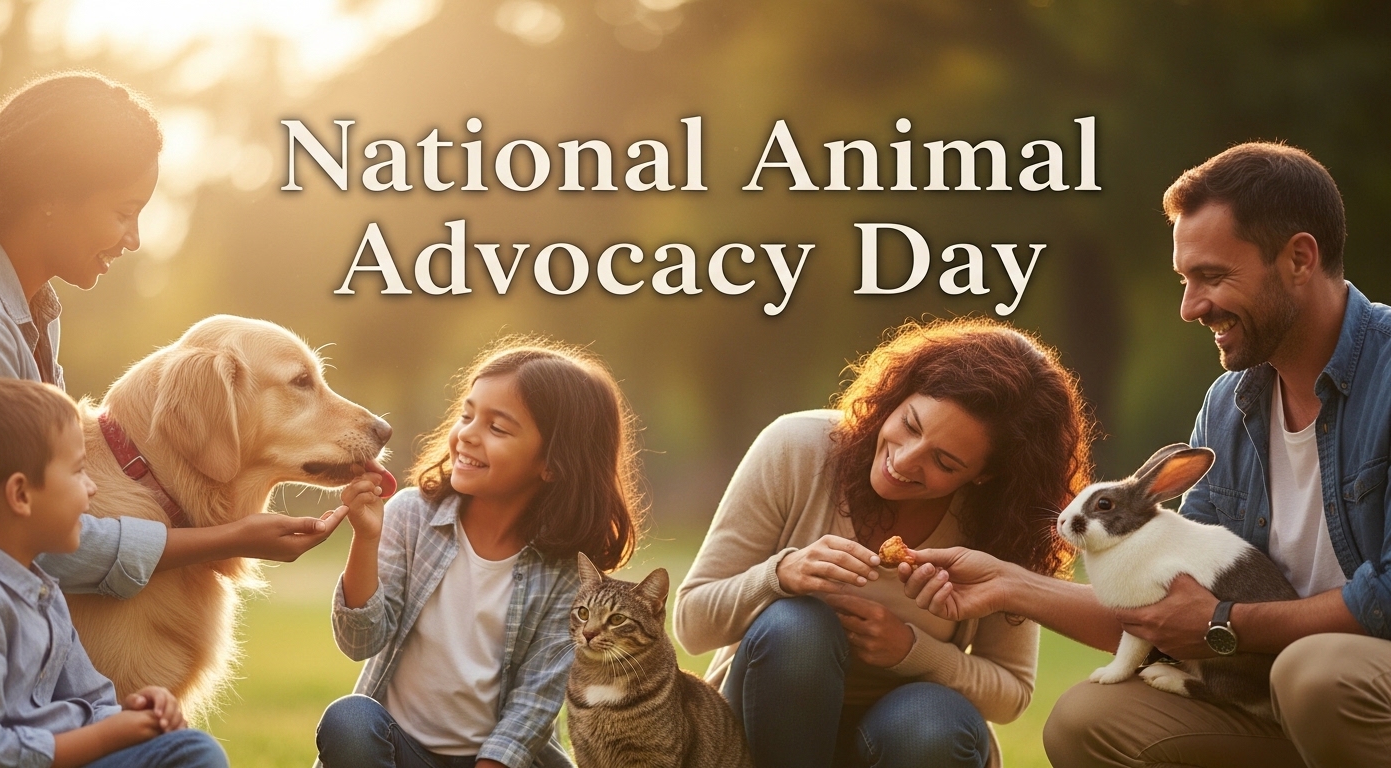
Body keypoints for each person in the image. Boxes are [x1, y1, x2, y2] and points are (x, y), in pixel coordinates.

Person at [901, 142, 1391, 768]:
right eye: (1185, 281)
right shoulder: (1231, 406)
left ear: (1299, 257)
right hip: (1265, 689)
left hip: (1348, 686)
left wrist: (1229, 623)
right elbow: (1171, 611)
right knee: (1087, 721)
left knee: (1316, 673)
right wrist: (1008, 585)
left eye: (1213, 277)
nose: (1191, 307)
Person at [0, 71, 344, 604]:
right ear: (53, 196)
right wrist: (226, 540)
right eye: (123, 213)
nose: (133, 239)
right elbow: (32, 537)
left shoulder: (38, 314)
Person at [675, 317, 1096, 768]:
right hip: (763, 735)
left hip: (902, 742)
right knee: (798, 627)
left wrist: (912, 651)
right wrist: (780, 575)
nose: (905, 460)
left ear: (985, 475)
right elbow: (691, 624)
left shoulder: (1003, 524)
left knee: (928, 726)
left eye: (945, 462)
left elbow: (1011, 693)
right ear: (896, 397)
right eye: (910, 425)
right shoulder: (796, 447)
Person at [315, 340, 645, 768]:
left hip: (498, 762)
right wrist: (365, 539)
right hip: (401, 754)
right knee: (350, 720)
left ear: (552, 464)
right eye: (467, 415)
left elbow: (533, 706)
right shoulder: (410, 516)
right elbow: (359, 641)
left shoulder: (567, 576)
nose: (467, 434)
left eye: (498, 428)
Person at [0, 378, 228, 768]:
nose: (93, 488)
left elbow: (94, 699)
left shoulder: (44, 593)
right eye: (78, 471)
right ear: (21, 496)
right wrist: (106, 735)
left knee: (187, 747)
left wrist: (136, 711)